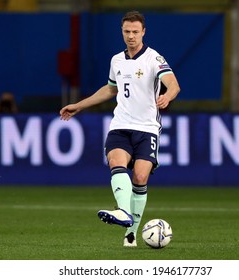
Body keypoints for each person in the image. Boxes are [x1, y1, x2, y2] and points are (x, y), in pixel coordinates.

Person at [60, 11, 180, 247]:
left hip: (147, 128)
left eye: (136, 32)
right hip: (121, 125)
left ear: (143, 32)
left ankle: (131, 234)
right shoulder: (116, 60)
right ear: (122, 31)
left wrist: (168, 96)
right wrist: (79, 106)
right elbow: (109, 89)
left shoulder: (154, 59)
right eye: (127, 32)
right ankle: (123, 212)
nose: (131, 36)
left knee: (140, 177)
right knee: (117, 162)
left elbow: (174, 84)